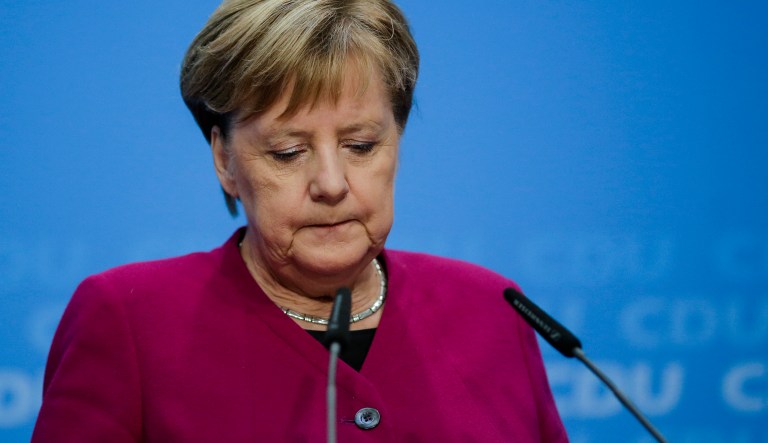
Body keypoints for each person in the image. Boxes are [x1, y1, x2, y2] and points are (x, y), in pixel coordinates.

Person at [32, 0, 569, 441]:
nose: (331, 183)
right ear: (224, 160)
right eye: (288, 152)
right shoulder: (129, 320)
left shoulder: (492, 311)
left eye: (361, 145)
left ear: (398, 145)